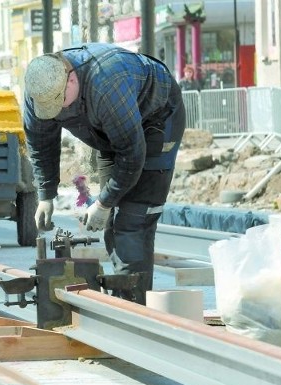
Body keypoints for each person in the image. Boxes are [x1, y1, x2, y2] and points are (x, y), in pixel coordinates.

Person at [23, 43, 186, 305]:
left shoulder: (107, 82)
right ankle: (124, 302)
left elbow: (132, 156)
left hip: (157, 119)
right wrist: (46, 194)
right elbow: (41, 143)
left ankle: (135, 311)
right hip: (109, 131)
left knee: (133, 222)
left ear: (72, 78)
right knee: (111, 222)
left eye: (60, 103)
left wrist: (103, 202)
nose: (57, 111)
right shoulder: (40, 88)